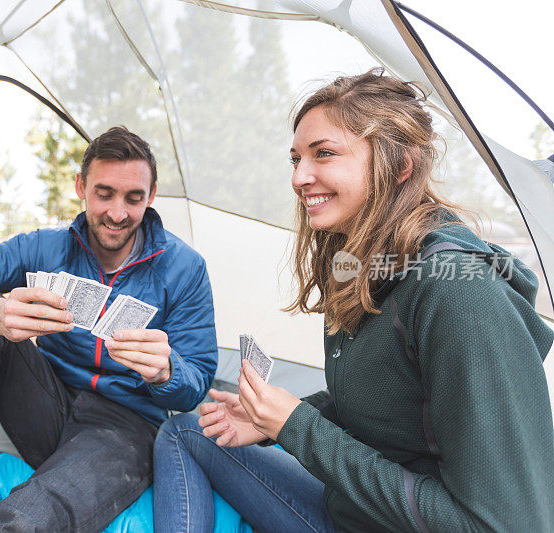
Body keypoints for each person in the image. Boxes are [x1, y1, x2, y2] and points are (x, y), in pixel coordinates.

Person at [152, 69, 554, 532]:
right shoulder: (362, 264)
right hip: (344, 512)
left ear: (400, 164)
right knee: (187, 431)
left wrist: (299, 427)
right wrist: (275, 418)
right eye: (296, 159)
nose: (300, 177)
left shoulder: (458, 294)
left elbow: (499, 525)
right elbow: (389, 398)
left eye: (324, 154)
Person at [0, 126, 218, 532]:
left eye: (133, 198)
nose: (118, 214)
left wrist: (167, 372)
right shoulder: (43, 248)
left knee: (35, 512)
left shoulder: (185, 268)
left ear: (151, 197)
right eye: (104, 194)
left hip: (125, 426)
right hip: (45, 398)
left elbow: (198, 380)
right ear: (80, 186)